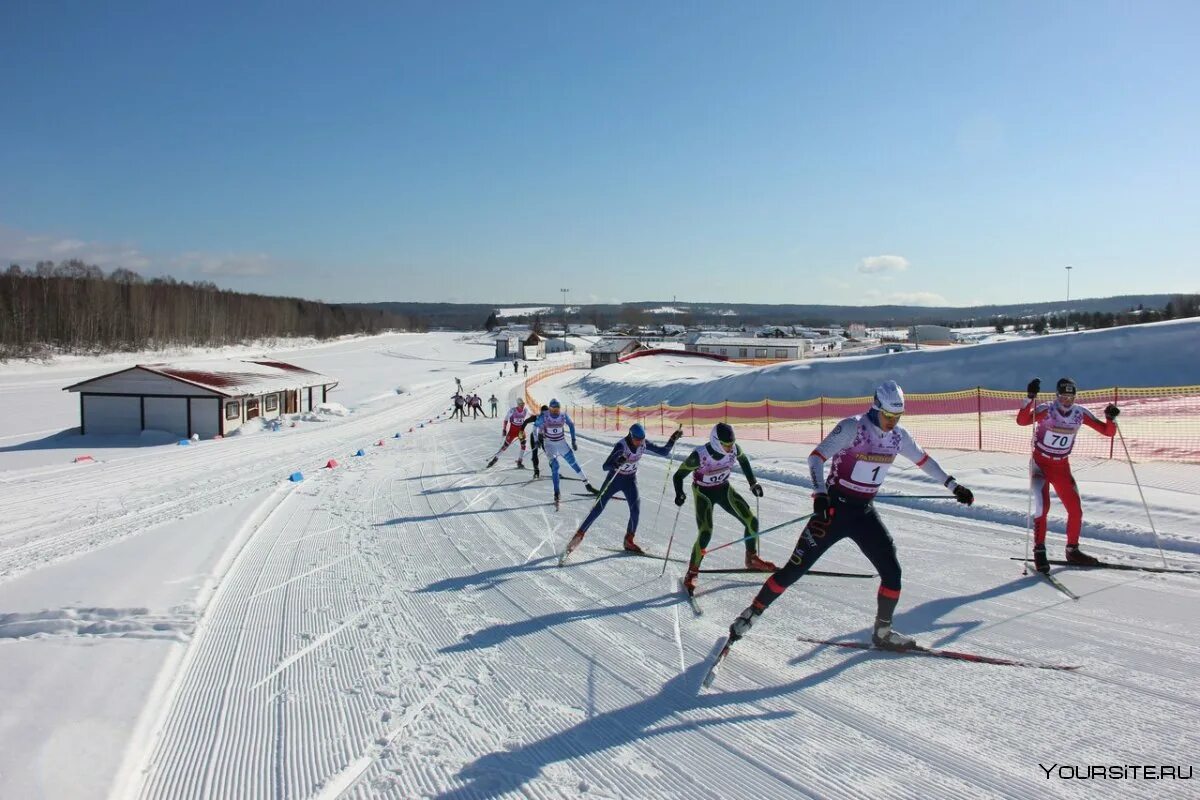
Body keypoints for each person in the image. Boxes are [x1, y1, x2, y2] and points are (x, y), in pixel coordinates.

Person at [722, 380, 975, 652]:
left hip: (864, 513)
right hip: (833, 511)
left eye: (897, 417)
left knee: (892, 573)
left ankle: (883, 631)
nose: (892, 421)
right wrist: (819, 494)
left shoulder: (898, 436)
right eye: (888, 416)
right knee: (794, 570)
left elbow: (924, 460)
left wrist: (953, 485)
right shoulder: (853, 427)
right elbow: (816, 458)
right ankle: (752, 614)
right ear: (876, 408)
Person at [1018, 376, 1119, 571]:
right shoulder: (1047, 410)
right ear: (1057, 396)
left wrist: (1110, 418)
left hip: (1061, 468)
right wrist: (1030, 397)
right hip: (1040, 464)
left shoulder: (1080, 414)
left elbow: (1108, 432)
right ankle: (1039, 550)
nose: (1067, 401)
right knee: (1042, 505)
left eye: (1070, 397)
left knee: (1075, 509)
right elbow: (1022, 421)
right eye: (1063, 397)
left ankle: (1072, 550)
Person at [673, 423, 775, 595]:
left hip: (723, 489)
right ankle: (692, 572)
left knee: (752, 521)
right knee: (706, 532)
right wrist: (679, 493)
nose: (730, 448)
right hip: (703, 493)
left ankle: (751, 558)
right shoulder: (699, 456)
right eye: (726, 444)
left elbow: (743, 460)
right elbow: (678, 476)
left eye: (731, 444)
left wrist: (753, 483)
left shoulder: (734, 449)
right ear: (715, 441)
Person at [564, 423, 683, 558]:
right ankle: (578, 536)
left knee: (635, 508)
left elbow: (663, 452)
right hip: (614, 480)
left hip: (630, 480)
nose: (640, 442)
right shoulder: (621, 446)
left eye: (642, 439)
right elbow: (605, 466)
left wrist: (673, 439)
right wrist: (616, 463)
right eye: (638, 439)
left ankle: (629, 540)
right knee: (598, 508)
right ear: (631, 436)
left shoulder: (643, 443)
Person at [535, 398, 598, 509]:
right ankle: (556, 492)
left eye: (557, 410)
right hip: (549, 445)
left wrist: (574, 440)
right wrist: (537, 439)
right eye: (553, 410)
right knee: (555, 466)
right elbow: (535, 426)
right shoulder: (545, 416)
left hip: (561, 443)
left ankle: (587, 485)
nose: (555, 412)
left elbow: (571, 425)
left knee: (573, 463)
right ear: (550, 409)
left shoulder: (563, 415)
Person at [486, 399, 532, 469]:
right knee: (505, 446)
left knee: (523, 445)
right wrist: (504, 429)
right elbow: (506, 419)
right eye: (521, 404)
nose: (522, 406)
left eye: (523, 404)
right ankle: (495, 458)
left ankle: (519, 461)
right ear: (518, 404)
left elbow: (530, 417)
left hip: (520, 431)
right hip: (512, 431)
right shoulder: (513, 411)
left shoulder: (525, 410)